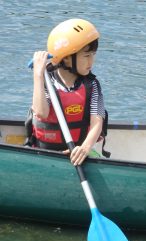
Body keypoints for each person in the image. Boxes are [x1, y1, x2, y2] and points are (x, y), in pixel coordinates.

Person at [29, 18, 109, 165]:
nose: (91, 62)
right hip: (45, 153)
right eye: (86, 56)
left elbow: (97, 122)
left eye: (93, 55)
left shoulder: (92, 85)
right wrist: (38, 75)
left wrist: (84, 149)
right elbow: (41, 112)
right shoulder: (47, 83)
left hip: (80, 152)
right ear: (66, 59)